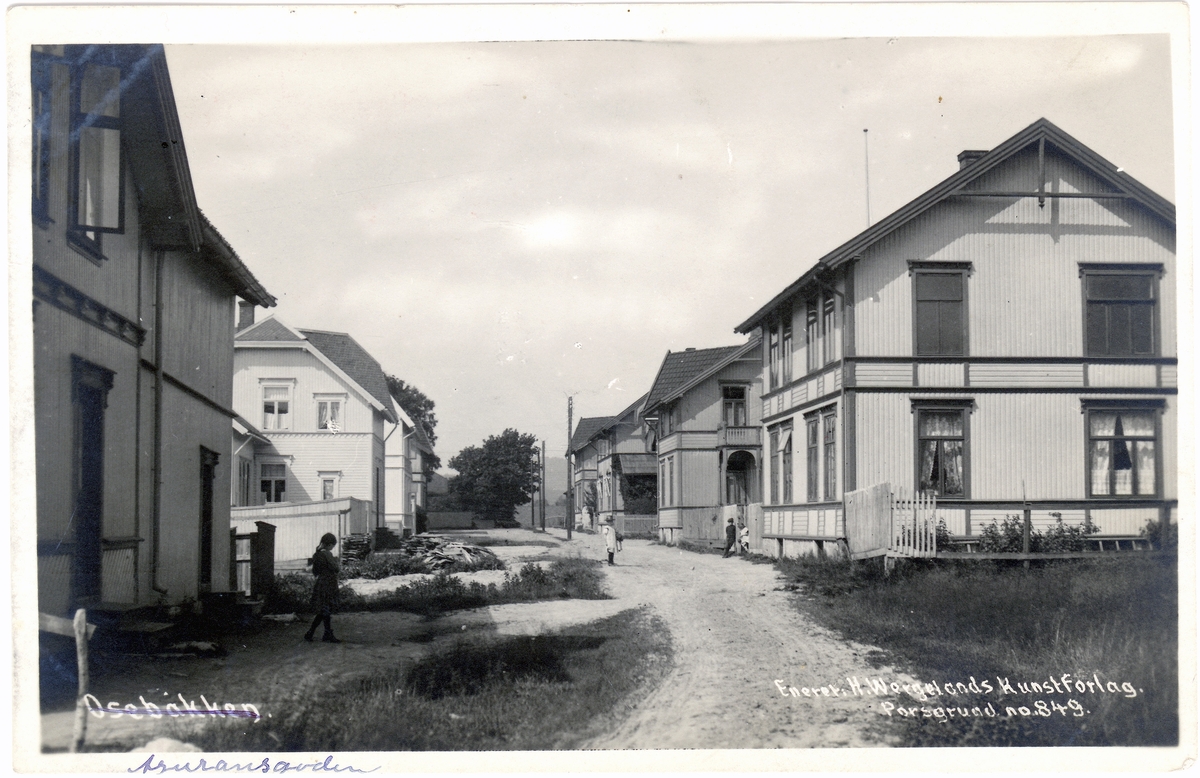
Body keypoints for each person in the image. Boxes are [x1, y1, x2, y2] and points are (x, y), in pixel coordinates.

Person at [304, 532, 342, 643]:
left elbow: (315, 571)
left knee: (323, 611)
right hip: (328, 584)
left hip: (321, 583)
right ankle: (327, 634)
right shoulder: (327, 554)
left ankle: (311, 633)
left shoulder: (317, 554)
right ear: (329, 544)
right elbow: (336, 568)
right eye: (333, 546)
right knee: (325, 610)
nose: (332, 548)